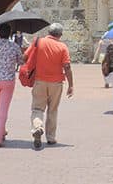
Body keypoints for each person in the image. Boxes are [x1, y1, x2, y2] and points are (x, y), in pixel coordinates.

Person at [30, 22, 74, 150]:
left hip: (39, 81)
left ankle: (37, 127)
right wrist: (71, 85)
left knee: (37, 108)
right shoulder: (62, 46)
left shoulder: (38, 42)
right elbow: (67, 66)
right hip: (56, 82)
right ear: (60, 34)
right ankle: (51, 137)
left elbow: (26, 57)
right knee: (52, 110)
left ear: (48, 32)